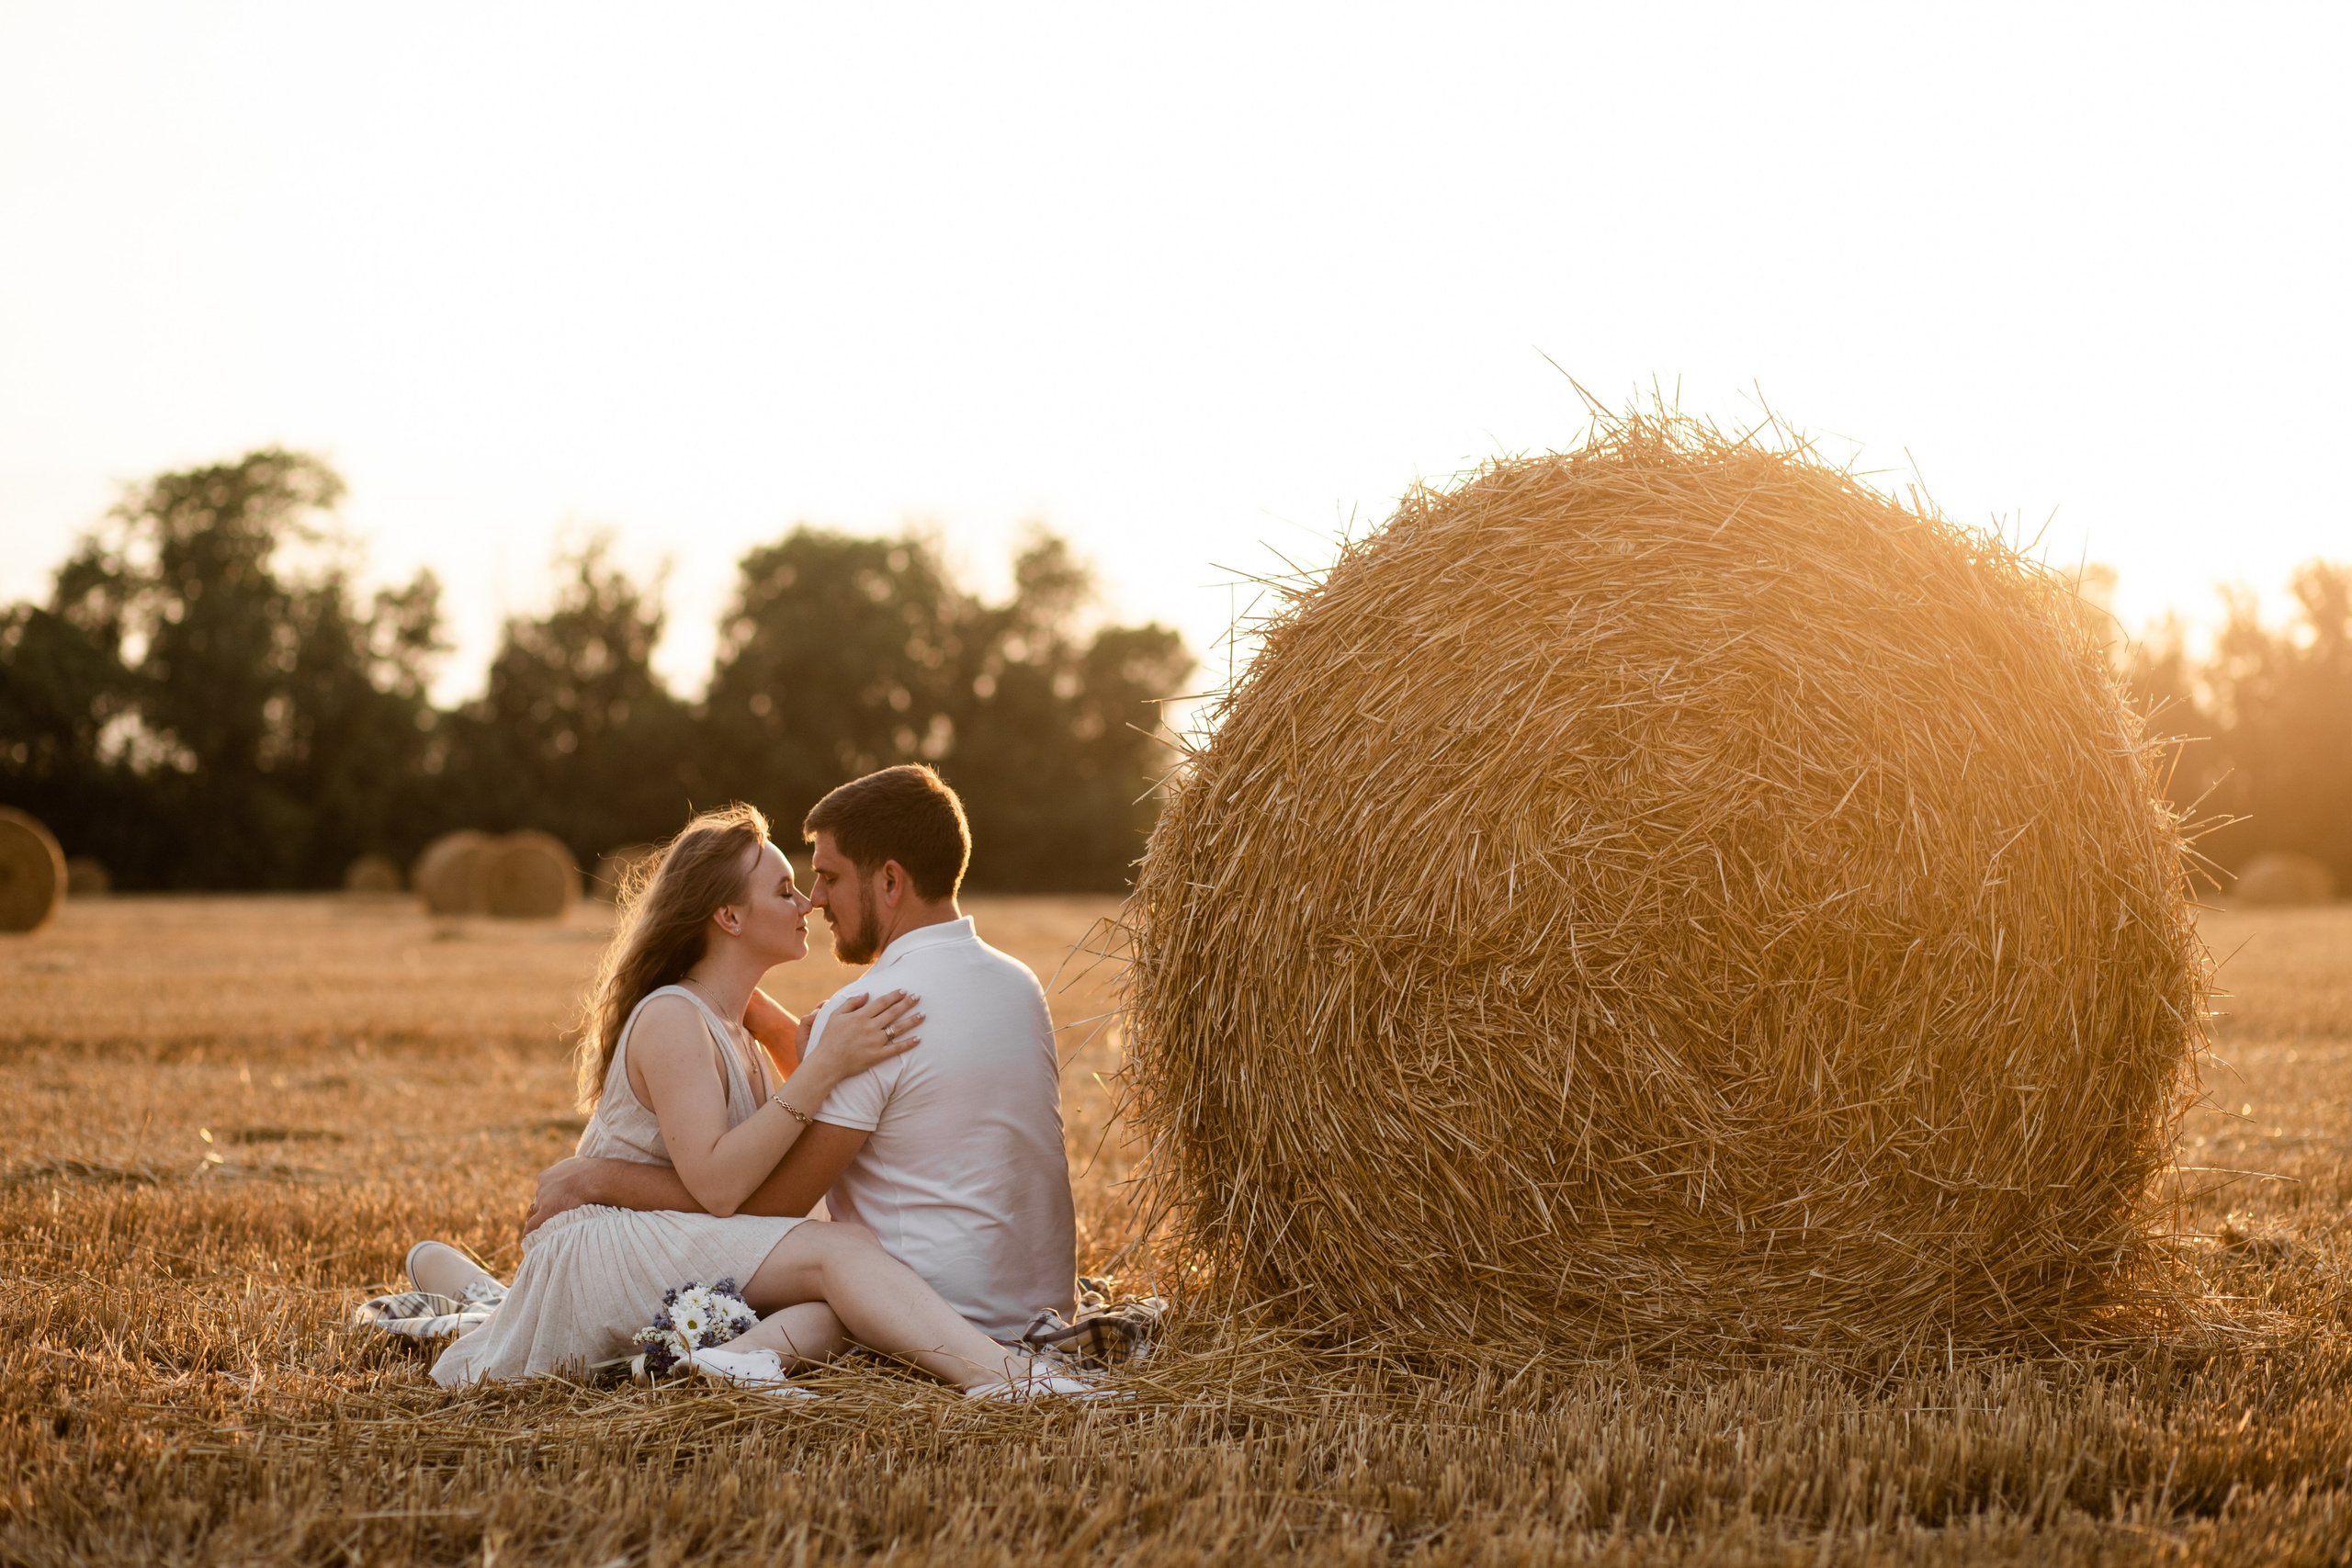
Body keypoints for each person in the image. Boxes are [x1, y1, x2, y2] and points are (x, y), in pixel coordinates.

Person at [404, 802, 1090, 1397]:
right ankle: (1009, 1379)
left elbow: (778, 1142)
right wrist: (823, 1064)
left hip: (666, 1237)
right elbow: (722, 1186)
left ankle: (733, 1359)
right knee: (843, 1251)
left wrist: (792, 1039)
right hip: (610, 1243)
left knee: (851, 1306)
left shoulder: (734, 1026)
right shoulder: (673, 1018)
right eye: (786, 890)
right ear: (729, 915)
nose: (808, 903)